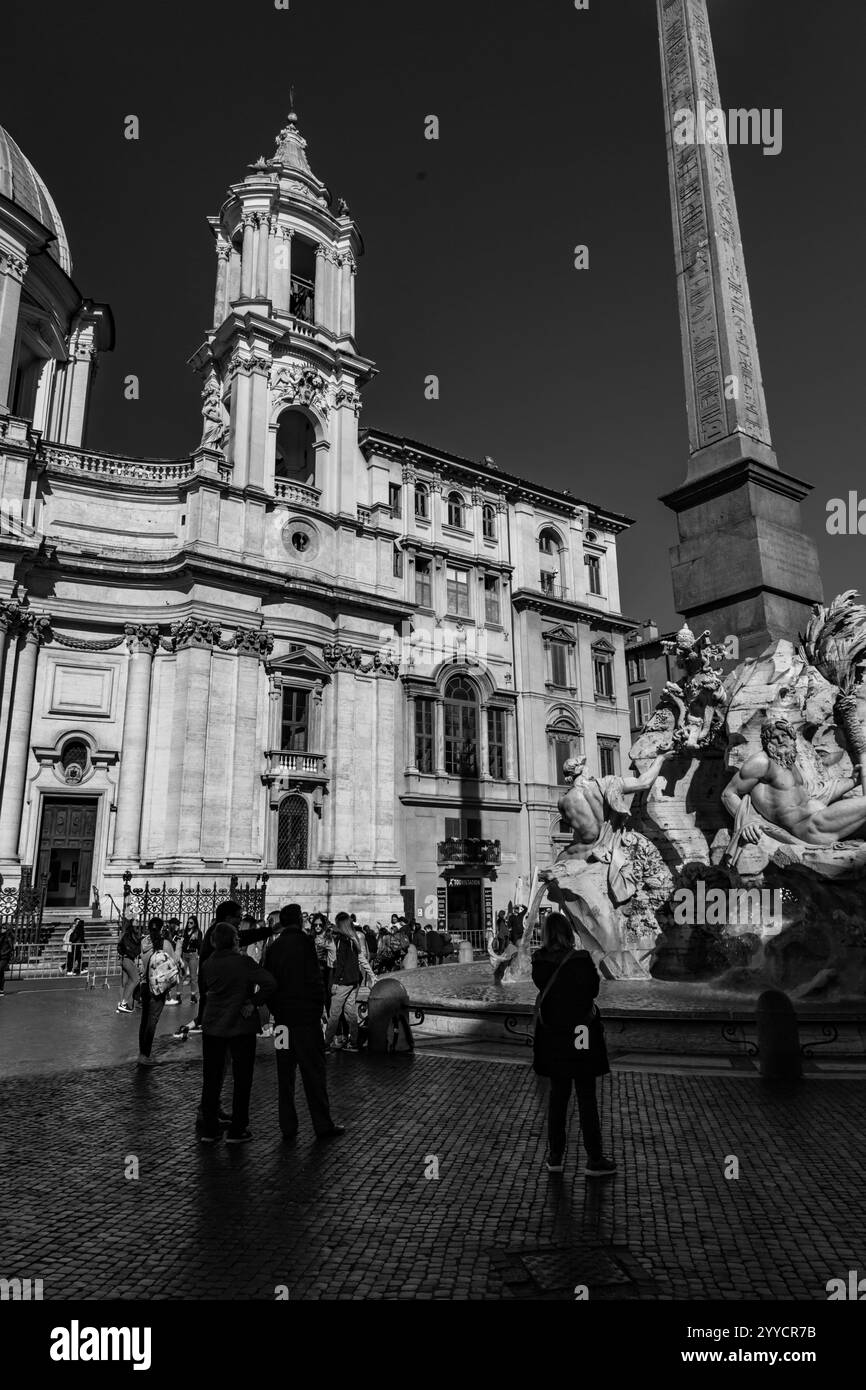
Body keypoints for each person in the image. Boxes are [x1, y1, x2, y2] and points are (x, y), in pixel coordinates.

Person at [531, 912, 616, 1179]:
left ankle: (555, 1157)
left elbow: (543, 988)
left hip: (554, 1033)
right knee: (586, 1095)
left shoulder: (539, 962)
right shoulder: (581, 960)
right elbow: (592, 991)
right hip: (581, 1032)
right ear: (569, 932)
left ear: (545, 934)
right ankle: (594, 1158)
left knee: (558, 1096)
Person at [264, 904, 345, 1141]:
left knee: (284, 1073)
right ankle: (322, 1124)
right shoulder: (306, 943)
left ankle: (287, 1125)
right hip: (305, 1021)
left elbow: (269, 983)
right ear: (299, 920)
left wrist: (276, 1011)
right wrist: (319, 1010)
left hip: (282, 1023)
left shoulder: (275, 947)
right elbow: (315, 980)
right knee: (314, 1073)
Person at [199, 922, 276, 1145]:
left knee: (211, 1079)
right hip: (240, 1026)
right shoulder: (244, 963)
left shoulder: (207, 964)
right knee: (242, 1079)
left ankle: (210, 1129)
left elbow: (206, 989)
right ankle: (238, 1129)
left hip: (213, 1026)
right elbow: (270, 983)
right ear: (234, 941)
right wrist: (253, 1002)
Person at [186, 900, 275, 1035]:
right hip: (231, 1016)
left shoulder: (215, 935)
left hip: (214, 1016)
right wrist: (253, 1002)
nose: (240, 920)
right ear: (228, 918)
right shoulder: (225, 940)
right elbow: (270, 982)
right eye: (238, 916)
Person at [324, 913, 374, 1052]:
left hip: (343, 981)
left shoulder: (342, 940)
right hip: (354, 981)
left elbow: (340, 964)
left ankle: (326, 1044)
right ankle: (353, 1043)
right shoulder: (353, 939)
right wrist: (372, 974)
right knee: (350, 1013)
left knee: (334, 1014)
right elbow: (360, 959)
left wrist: (335, 982)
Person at [137, 917, 181, 1067]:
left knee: (144, 1020)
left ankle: (142, 1052)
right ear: (162, 928)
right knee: (152, 1021)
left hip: (144, 984)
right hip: (157, 987)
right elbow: (173, 962)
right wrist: (178, 946)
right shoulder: (166, 944)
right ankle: (145, 1055)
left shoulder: (144, 943)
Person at [116, 916, 141, 1014]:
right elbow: (131, 947)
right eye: (136, 920)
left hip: (125, 958)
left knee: (125, 982)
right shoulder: (129, 934)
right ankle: (123, 1003)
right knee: (135, 979)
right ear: (131, 922)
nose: (138, 922)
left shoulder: (129, 934)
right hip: (128, 959)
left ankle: (121, 1004)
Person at [181, 914, 202, 1003]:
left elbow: (200, 945)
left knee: (193, 977)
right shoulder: (185, 931)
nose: (189, 924)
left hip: (193, 955)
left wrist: (195, 940)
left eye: (191, 923)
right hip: (184, 955)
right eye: (188, 922)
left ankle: (193, 996)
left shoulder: (198, 932)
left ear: (195, 924)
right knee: (182, 975)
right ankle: (178, 995)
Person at [163, 917, 184, 1005]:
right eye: (177, 925)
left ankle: (167, 997)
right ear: (173, 925)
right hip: (169, 957)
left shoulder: (172, 934)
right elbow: (171, 948)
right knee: (168, 978)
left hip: (170, 956)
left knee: (170, 978)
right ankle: (167, 998)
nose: (178, 927)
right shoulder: (168, 934)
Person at [0, 922, 14, 996]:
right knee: (1, 973)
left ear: (8, 929)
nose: (2, 929)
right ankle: (1, 990)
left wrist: (4, 953)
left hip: (4, 957)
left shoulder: (9, 937)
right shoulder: (1, 936)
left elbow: (11, 948)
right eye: (2, 927)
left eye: (4, 928)